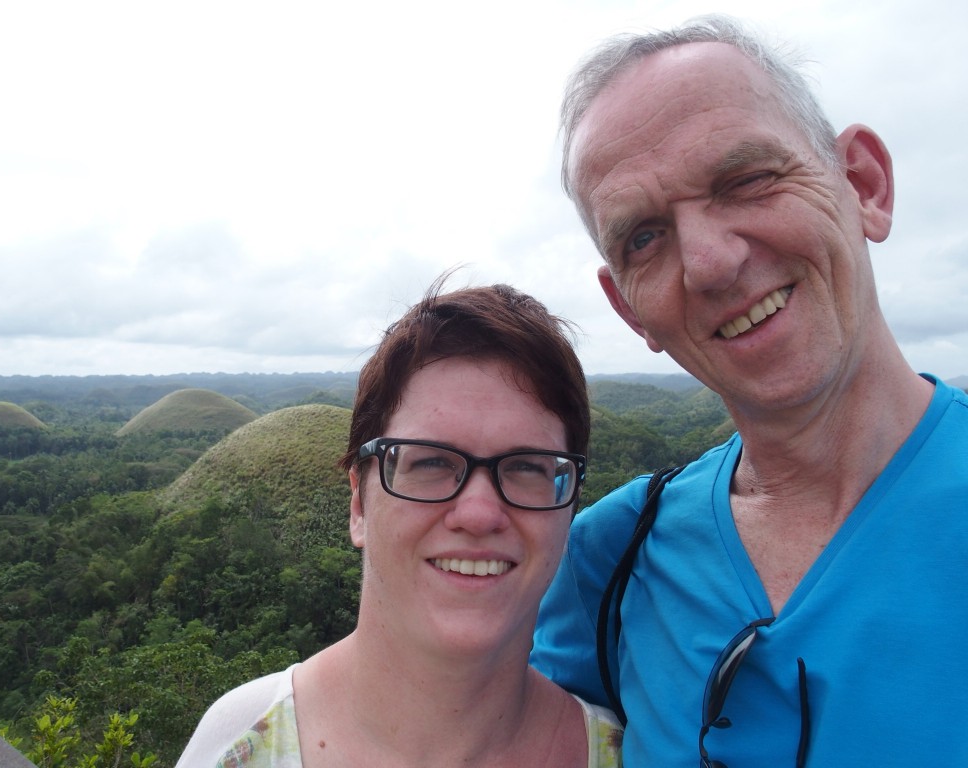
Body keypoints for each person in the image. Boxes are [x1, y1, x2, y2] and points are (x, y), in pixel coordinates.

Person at [530, 14, 968, 768]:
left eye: (747, 180)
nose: (709, 262)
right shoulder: (611, 557)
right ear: (630, 308)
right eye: (643, 236)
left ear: (864, 184)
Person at [176, 280, 623, 767]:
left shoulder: (640, 755)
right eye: (430, 463)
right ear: (358, 506)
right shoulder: (236, 746)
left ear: (571, 506)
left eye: (527, 467)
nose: (478, 514)